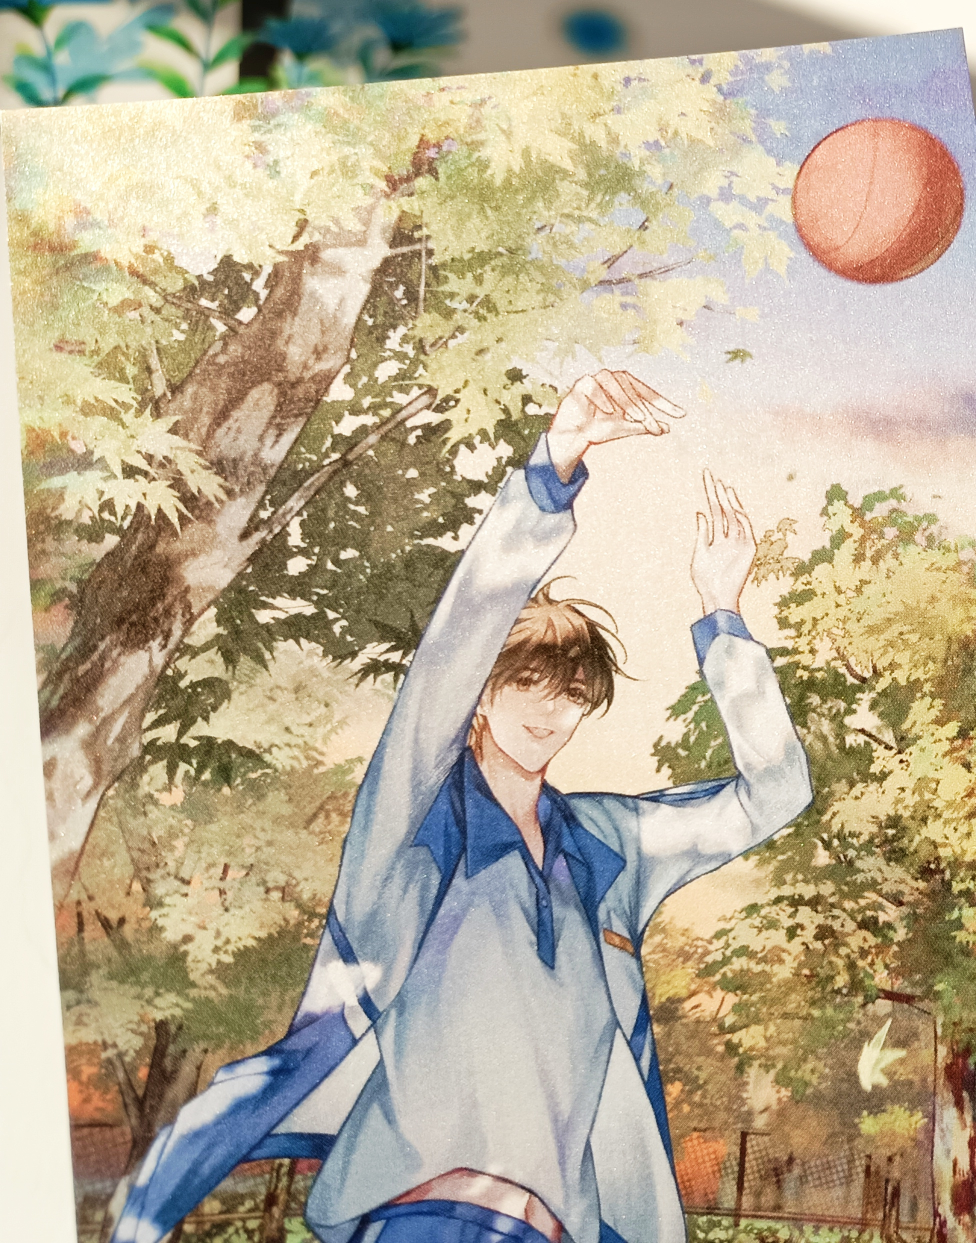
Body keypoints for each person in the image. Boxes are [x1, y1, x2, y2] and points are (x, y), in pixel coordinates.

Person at [111, 369, 814, 1243]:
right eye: (525, 683)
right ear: (480, 692)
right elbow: (453, 645)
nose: (549, 711)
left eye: (571, 693)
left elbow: (776, 793)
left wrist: (724, 616)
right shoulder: (416, 825)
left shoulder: (609, 844)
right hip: (424, 1216)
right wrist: (553, 468)